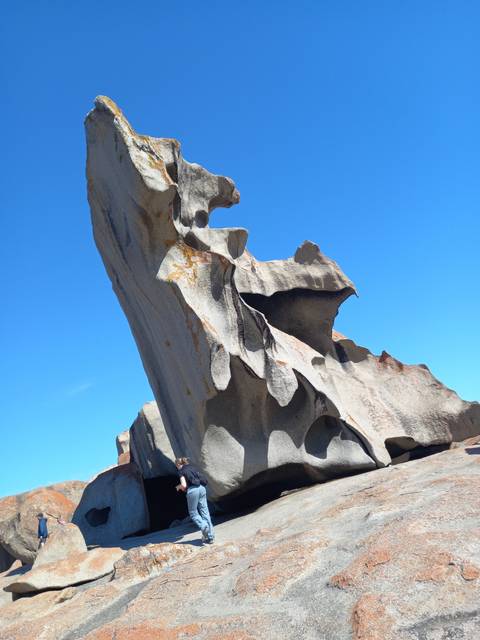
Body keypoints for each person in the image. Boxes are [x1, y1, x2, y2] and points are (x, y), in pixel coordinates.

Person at [175, 457, 214, 544]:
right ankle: (210, 537)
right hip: (201, 488)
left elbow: (184, 485)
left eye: (176, 466)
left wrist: (179, 487)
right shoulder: (192, 467)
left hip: (193, 491)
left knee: (193, 513)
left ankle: (203, 526)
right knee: (205, 512)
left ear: (178, 464)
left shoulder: (181, 471)